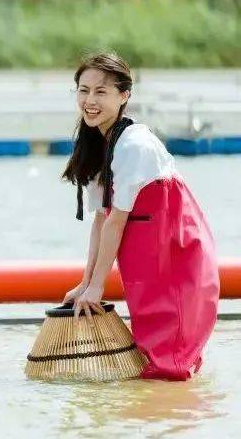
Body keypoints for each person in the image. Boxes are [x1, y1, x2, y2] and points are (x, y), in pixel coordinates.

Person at [61, 52, 218, 381]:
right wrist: (87, 283)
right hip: (145, 253)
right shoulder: (98, 143)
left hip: (175, 250)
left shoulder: (135, 145)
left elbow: (115, 221)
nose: (90, 101)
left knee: (169, 358)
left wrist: (98, 286)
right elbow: (101, 220)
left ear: (124, 95)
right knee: (153, 353)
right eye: (83, 90)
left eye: (101, 92)